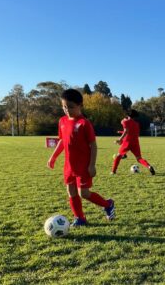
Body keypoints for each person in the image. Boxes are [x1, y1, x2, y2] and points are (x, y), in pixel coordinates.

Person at [47, 89, 115, 226]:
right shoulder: (62, 121)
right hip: (69, 166)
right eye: (64, 107)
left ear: (80, 106)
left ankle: (107, 204)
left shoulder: (84, 123)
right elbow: (62, 141)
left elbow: (93, 145)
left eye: (71, 107)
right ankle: (80, 218)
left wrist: (92, 165)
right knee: (71, 191)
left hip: (83, 166)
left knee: (83, 193)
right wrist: (53, 157)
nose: (67, 110)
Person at [111, 109, 155, 175]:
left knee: (118, 156)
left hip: (127, 142)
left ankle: (113, 171)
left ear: (128, 114)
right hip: (135, 143)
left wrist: (120, 139)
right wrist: (121, 132)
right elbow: (131, 132)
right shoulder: (136, 124)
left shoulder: (125, 121)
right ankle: (149, 166)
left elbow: (126, 131)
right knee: (139, 158)